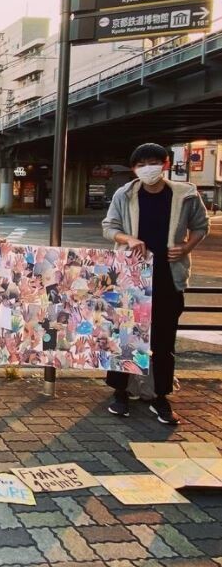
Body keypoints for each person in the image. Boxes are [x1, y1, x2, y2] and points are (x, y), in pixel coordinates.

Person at [102, 143, 208, 424]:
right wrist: (129, 239)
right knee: (126, 337)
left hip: (168, 277)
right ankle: (121, 392)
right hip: (132, 277)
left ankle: (161, 396)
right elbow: (109, 227)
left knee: (163, 340)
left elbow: (201, 226)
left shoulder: (185, 195)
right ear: (134, 168)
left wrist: (186, 247)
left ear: (165, 164)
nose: (147, 168)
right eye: (140, 164)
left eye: (153, 162)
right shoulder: (125, 194)